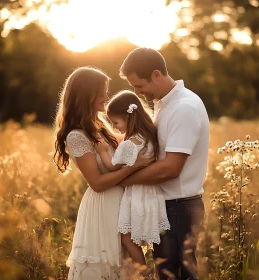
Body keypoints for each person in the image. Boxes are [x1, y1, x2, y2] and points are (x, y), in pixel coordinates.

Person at [119, 48, 209, 280]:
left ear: (157, 74)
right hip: (167, 205)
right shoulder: (163, 105)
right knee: (169, 274)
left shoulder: (184, 108)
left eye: (140, 86)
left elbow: (171, 168)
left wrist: (123, 179)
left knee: (177, 275)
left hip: (179, 207)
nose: (138, 93)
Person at [53, 66, 150, 280]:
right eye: (102, 92)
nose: (106, 96)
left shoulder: (100, 125)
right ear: (86, 94)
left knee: (126, 263)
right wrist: (133, 168)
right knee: (105, 265)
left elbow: (129, 144)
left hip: (120, 203)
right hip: (103, 206)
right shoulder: (76, 136)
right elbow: (96, 182)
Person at [95, 90, 170, 277]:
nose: (115, 127)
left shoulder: (129, 144)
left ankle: (145, 274)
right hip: (152, 194)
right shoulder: (150, 136)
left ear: (128, 118)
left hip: (135, 195)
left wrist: (103, 150)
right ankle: (154, 271)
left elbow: (113, 167)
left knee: (127, 238)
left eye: (116, 122)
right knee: (147, 238)